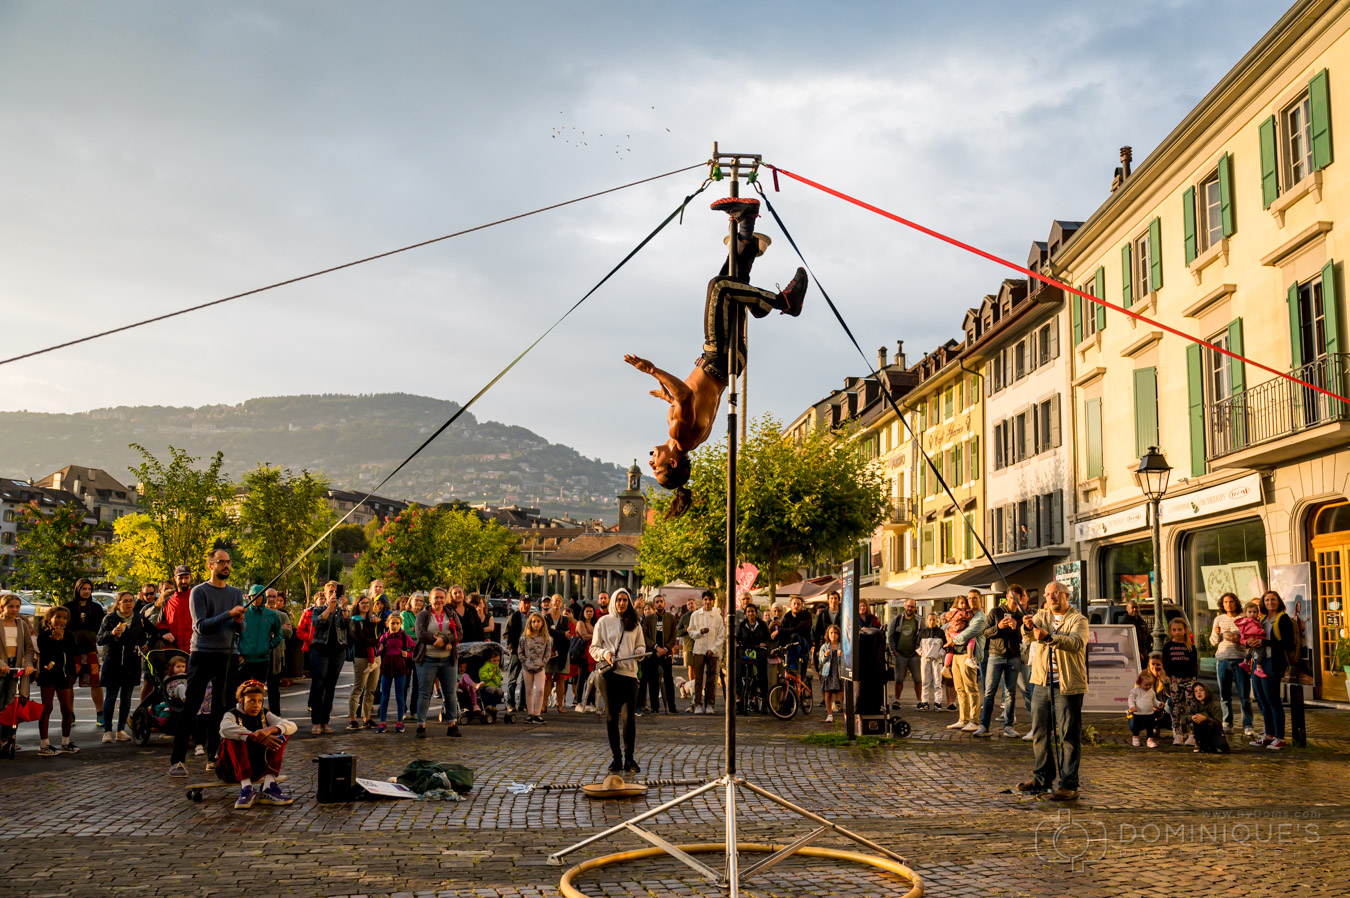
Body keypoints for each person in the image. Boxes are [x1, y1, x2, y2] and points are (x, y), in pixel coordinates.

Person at [627, 195, 808, 518]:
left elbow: (689, 400)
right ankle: (783, 303)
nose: (652, 462)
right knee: (720, 287)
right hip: (717, 357)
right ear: (673, 463)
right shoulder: (679, 436)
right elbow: (686, 395)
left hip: (727, 363)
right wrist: (652, 369)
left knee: (735, 281)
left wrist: (664, 395)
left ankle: (746, 224)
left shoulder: (688, 438)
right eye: (658, 468)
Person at [169, 548, 245, 777]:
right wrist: (229, 614)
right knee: (192, 706)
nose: (226, 565)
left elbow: (241, 629)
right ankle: (177, 760)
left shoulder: (236, 593)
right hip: (202, 653)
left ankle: (215, 756)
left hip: (227, 655)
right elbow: (201, 626)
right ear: (210, 565)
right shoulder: (199, 592)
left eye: (228, 562)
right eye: (221, 562)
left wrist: (239, 621)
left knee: (223, 707)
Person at [1018, 581, 1088, 802]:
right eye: (1048, 594)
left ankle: (1069, 785)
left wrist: (1049, 637)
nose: (1051, 597)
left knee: (1068, 735)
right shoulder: (1042, 616)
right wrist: (1027, 627)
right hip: (1041, 683)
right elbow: (1028, 636)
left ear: (1067, 596)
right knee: (1040, 733)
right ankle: (1042, 779)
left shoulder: (1079, 620)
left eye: (1056, 593)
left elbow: (1076, 643)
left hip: (1067, 686)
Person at [590, 588, 646, 773]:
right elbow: (594, 648)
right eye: (618, 600)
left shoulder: (635, 623)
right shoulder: (603, 621)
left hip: (629, 674)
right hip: (610, 675)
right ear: (613, 601)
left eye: (624, 600)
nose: (621, 603)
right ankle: (616, 758)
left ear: (628, 602)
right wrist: (605, 653)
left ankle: (630, 758)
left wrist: (639, 652)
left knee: (629, 719)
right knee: (611, 717)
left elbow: (641, 645)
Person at [218, 679, 297, 810]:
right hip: (231, 770)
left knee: (282, 734)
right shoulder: (231, 714)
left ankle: (268, 786)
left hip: (257, 769)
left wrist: (271, 730)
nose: (257, 705)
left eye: (260, 701)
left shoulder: (264, 713)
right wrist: (256, 738)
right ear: (241, 701)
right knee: (233, 738)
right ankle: (246, 788)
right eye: (252, 701)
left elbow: (291, 725)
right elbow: (225, 729)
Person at [97, 591, 150, 743]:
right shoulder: (110, 618)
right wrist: (112, 633)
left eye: (131, 600)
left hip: (132, 662)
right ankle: (107, 731)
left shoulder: (139, 618)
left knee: (126, 698)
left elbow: (153, 633)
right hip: (113, 662)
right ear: (118, 603)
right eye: (125, 601)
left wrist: (147, 644)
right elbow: (99, 639)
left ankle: (121, 730)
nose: (128, 604)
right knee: (111, 697)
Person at [1251, 590, 1297, 751]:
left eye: (1273, 599)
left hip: (1272, 663)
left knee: (1273, 700)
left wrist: (1264, 642)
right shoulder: (1263, 618)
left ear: (1279, 601)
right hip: (1258, 662)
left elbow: (1288, 643)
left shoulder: (1283, 618)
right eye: (1267, 600)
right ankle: (1269, 735)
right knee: (1261, 699)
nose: (1270, 602)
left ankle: (1280, 738)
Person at [414, 586, 463, 738]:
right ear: (430, 599)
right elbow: (421, 634)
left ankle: (452, 724)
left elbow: (459, 632)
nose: (439, 600)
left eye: (442, 597)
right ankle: (421, 725)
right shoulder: (423, 615)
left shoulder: (451, 614)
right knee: (425, 693)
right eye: (436, 597)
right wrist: (439, 642)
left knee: (450, 693)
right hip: (427, 659)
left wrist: (446, 639)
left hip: (448, 660)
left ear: (445, 599)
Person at [975, 589, 1023, 738]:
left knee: (1010, 693)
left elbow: (1023, 638)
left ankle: (1009, 726)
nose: (1013, 601)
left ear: (1020, 599)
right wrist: (999, 627)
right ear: (1006, 598)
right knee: (989, 692)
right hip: (996, 655)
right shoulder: (995, 612)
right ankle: (984, 726)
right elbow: (985, 633)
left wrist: (1016, 628)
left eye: (1016, 598)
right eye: (1011, 598)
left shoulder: (1020, 616)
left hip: (1013, 656)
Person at [307, 582, 349, 735]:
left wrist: (344, 607)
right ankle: (316, 722)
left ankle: (325, 721)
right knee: (319, 685)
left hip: (337, 651)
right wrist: (329, 608)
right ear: (325, 594)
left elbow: (348, 624)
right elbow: (317, 622)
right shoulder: (318, 609)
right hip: (320, 649)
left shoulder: (341, 610)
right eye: (330, 591)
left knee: (330, 686)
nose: (333, 594)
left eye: (336, 592)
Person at [36, 606, 79, 756]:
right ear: (50, 619)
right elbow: (48, 654)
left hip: (65, 676)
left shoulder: (69, 635)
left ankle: (66, 742)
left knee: (67, 709)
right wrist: (55, 640)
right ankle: (44, 744)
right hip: (48, 675)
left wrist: (73, 674)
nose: (61, 620)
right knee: (46, 708)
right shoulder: (44, 636)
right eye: (58, 617)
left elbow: (73, 652)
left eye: (64, 618)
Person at [63, 578, 105, 728]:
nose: (86, 591)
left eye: (89, 589)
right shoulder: (67, 607)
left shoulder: (96, 608)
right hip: (71, 652)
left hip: (90, 651)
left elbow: (101, 629)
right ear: (77, 590)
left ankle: (100, 714)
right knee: (69, 683)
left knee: (95, 682)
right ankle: (70, 714)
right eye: (83, 589)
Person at [1210, 591, 1253, 737]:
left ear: (1236, 603)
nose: (1228, 604)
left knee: (1244, 695)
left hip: (1240, 659)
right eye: (1225, 602)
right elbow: (1213, 642)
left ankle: (1247, 725)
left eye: (1231, 601)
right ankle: (1227, 723)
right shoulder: (1218, 619)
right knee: (1224, 695)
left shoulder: (1243, 619)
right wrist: (1216, 633)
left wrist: (1238, 639)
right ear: (1222, 605)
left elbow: (1249, 641)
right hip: (1223, 660)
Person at [0, 593, 37, 754]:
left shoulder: (21, 625)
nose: (14, 610)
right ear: (2, 608)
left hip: (16, 667)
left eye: (17, 606)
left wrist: (28, 663)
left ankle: (6, 738)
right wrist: (1, 663)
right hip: (2, 666)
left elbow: (29, 648)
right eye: (11, 607)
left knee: (11, 704)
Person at [236, 586, 283, 710]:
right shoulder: (244, 613)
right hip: (244, 659)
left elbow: (279, 634)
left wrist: (269, 645)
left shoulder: (271, 615)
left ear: (263, 598)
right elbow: (234, 634)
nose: (255, 599)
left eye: (258, 597)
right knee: (242, 690)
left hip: (262, 659)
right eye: (253, 597)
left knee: (258, 691)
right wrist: (238, 652)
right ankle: (241, 714)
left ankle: (258, 715)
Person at [946, 592, 987, 733]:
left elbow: (967, 633)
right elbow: (948, 625)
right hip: (956, 653)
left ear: (980, 600)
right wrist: (948, 633)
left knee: (971, 688)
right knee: (959, 689)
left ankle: (974, 721)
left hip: (968, 655)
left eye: (974, 598)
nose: (971, 600)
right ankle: (963, 719)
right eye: (969, 598)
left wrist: (951, 639)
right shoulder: (965, 614)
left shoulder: (980, 618)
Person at [1162, 617, 1199, 747]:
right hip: (1175, 680)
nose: (1177, 632)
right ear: (1170, 631)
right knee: (1176, 707)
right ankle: (1178, 733)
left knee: (1191, 706)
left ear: (1184, 630)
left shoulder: (1190, 647)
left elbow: (1194, 664)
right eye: (1174, 630)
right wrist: (1170, 676)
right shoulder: (1168, 646)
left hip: (1189, 680)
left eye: (1179, 629)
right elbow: (1166, 663)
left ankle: (1192, 733)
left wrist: (1193, 679)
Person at [375, 613, 415, 733]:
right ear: (387, 624)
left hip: (400, 669)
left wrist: (408, 654)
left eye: (397, 623)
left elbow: (415, 649)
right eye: (393, 623)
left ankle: (400, 722)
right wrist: (379, 650)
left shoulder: (405, 637)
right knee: (384, 696)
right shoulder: (384, 637)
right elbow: (377, 651)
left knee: (399, 696)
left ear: (401, 624)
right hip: (386, 669)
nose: (395, 626)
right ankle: (382, 722)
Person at [347, 594, 381, 730]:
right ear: (357, 605)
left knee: (371, 690)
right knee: (358, 688)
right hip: (361, 657)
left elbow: (382, 634)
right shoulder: (354, 621)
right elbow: (359, 639)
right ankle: (352, 719)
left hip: (375, 656)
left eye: (367, 603)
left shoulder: (372, 620)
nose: (366, 605)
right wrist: (376, 641)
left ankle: (367, 718)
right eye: (363, 603)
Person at [687, 590, 724, 714]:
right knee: (698, 678)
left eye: (710, 599)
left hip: (713, 651)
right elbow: (691, 632)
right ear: (702, 601)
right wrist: (700, 632)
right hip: (699, 650)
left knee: (712, 679)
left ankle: (710, 704)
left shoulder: (718, 617)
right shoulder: (695, 615)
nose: (707, 602)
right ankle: (698, 703)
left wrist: (712, 650)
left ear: (713, 601)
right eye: (705, 599)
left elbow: (721, 636)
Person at [640, 594, 678, 714]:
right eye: (657, 602)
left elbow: (674, 635)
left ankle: (672, 707)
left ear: (664, 603)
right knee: (653, 681)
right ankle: (654, 707)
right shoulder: (648, 619)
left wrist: (665, 648)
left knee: (668, 680)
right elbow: (645, 636)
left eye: (661, 601)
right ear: (654, 604)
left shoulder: (671, 618)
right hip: (653, 653)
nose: (659, 604)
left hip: (666, 654)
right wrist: (656, 647)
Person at [886, 599, 922, 708]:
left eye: (912, 607)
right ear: (904, 606)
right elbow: (890, 636)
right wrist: (894, 651)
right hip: (900, 654)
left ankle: (919, 701)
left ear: (915, 608)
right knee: (899, 679)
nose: (910, 608)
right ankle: (897, 700)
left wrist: (920, 651)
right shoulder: (897, 619)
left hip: (914, 655)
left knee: (917, 679)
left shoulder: (919, 621)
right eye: (908, 606)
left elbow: (924, 635)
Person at [519, 612, 553, 724]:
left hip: (540, 667)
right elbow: (520, 651)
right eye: (534, 621)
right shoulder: (524, 637)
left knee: (540, 690)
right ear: (530, 623)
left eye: (538, 621)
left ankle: (537, 714)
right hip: (527, 666)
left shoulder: (546, 638)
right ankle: (530, 713)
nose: (536, 624)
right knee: (528, 690)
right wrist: (525, 662)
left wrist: (543, 662)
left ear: (542, 623)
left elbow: (548, 653)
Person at [736, 603, 770, 714]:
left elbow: (768, 638)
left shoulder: (762, 624)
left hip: (759, 653)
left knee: (762, 677)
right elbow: (737, 638)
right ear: (745, 613)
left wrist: (764, 644)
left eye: (752, 611)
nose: (750, 614)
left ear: (756, 613)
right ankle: (740, 703)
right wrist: (738, 644)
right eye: (748, 612)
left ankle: (764, 703)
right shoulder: (742, 625)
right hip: (745, 652)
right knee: (740, 675)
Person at [265, 589, 293, 714]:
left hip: (277, 655)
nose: (271, 599)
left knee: (274, 687)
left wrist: (276, 630)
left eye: (274, 596)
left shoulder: (282, 615)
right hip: (259, 654)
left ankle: (275, 715)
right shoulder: (260, 614)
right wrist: (279, 628)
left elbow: (288, 633)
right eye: (269, 596)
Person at [503, 596, 533, 714]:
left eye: (529, 603)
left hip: (529, 653)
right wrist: (512, 647)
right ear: (520, 603)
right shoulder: (514, 616)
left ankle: (523, 704)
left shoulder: (533, 617)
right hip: (517, 651)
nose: (527, 605)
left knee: (526, 680)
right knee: (512, 679)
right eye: (524, 602)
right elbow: (506, 634)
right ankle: (510, 703)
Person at [544, 595, 572, 713]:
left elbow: (568, 633)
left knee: (560, 678)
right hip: (549, 651)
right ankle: (543, 705)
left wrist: (559, 633)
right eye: (555, 601)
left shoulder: (564, 619)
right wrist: (562, 634)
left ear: (561, 604)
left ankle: (560, 706)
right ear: (551, 603)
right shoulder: (546, 617)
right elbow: (547, 631)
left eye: (559, 601)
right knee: (547, 677)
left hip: (561, 651)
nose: (557, 603)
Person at [917, 612, 946, 711]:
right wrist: (922, 654)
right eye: (930, 619)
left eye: (934, 620)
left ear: (936, 620)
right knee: (925, 681)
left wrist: (939, 654)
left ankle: (938, 703)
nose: (932, 621)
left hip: (937, 660)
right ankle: (924, 702)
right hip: (925, 660)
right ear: (927, 620)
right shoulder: (922, 633)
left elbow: (945, 646)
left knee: (938, 682)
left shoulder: (941, 632)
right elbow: (917, 645)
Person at [1189, 681, 1229, 754]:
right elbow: (1184, 718)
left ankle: (1212, 745)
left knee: (1221, 746)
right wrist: (1192, 717)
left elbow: (1218, 723)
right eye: (1196, 691)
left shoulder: (1214, 706)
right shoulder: (1194, 706)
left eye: (1201, 690)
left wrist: (1205, 719)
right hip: (1202, 733)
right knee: (1198, 720)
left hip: (1215, 732)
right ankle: (1199, 743)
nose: (1198, 693)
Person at [1126, 671, 1161, 748]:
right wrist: (1132, 707)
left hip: (1149, 713)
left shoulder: (1151, 692)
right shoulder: (1135, 691)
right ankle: (1135, 737)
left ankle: (1150, 739)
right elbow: (1130, 699)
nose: (1148, 687)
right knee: (1136, 726)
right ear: (1139, 683)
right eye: (1146, 685)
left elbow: (1154, 701)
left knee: (1150, 727)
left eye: (1150, 685)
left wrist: (1159, 704)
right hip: (1138, 713)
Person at [1234, 600, 1269, 678]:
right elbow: (1254, 631)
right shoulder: (1250, 622)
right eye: (1250, 612)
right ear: (1245, 613)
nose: (1252, 614)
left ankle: (1245, 662)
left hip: (1252, 641)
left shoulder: (1248, 621)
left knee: (1251, 651)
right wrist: (1262, 631)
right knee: (1262, 654)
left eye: (1254, 612)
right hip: (1255, 639)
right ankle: (1259, 668)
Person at [573, 603, 598, 713]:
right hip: (583, 655)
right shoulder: (580, 623)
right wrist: (596, 636)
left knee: (591, 680)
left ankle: (588, 702)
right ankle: (578, 702)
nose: (589, 613)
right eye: (587, 611)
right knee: (581, 679)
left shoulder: (594, 624)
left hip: (593, 655)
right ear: (583, 612)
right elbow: (584, 636)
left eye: (591, 611)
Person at [818, 625, 844, 724]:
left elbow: (848, 659)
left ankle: (846, 713)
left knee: (841, 694)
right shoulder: (825, 646)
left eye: (836, 633)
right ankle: (829, 714)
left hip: (839, 673)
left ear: (839, 635)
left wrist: (841, 656)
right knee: (828, 693)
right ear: (828, 635)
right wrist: (825, 655)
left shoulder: (842, 646)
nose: (833, 635)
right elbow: (820, 661)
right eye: (831, 633)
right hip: (828, 673)